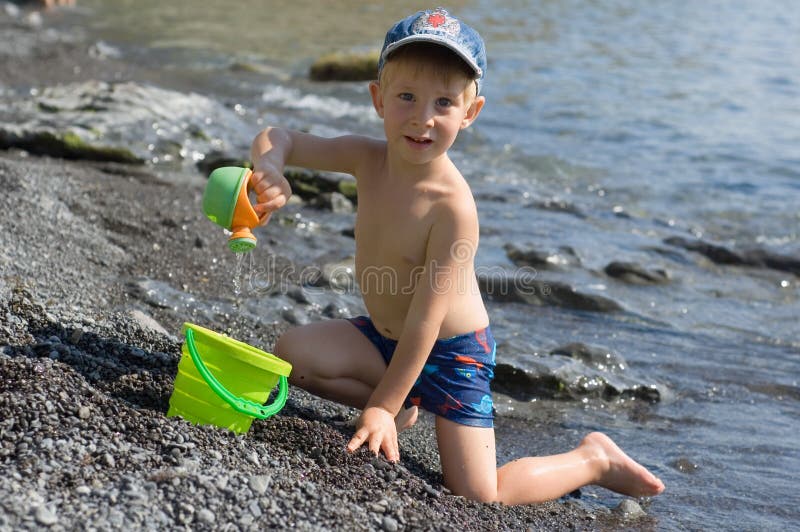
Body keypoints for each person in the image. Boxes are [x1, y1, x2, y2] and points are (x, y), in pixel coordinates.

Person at [248, 7, 665, 504]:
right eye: (407, 97)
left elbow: (427, 321)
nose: (423, 117)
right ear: (378, 99)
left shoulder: (452, 207)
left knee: (478, 493)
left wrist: (379, 407)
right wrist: (270, 167)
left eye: (443, 102)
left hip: (452, 353)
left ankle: (592, 459)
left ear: (470, 113)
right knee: (291, 354)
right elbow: (282, 137)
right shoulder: (366, 157)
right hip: (385, 339)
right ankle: (403, 406)